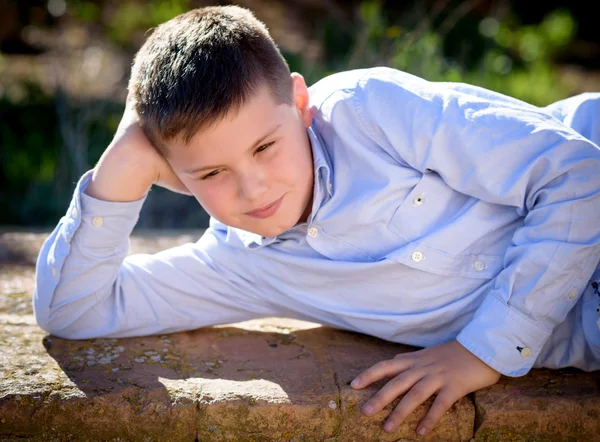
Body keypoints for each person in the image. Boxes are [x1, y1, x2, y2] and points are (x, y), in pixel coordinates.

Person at [33, 5, 600, 436]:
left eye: (264, 146)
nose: (253, 189)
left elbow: (578, 176)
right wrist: (120, 169)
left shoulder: (372, 113)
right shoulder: (239, 266)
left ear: (300, 104)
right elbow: (73, 310)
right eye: (210, 174)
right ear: (174, 177)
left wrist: (484, 351)